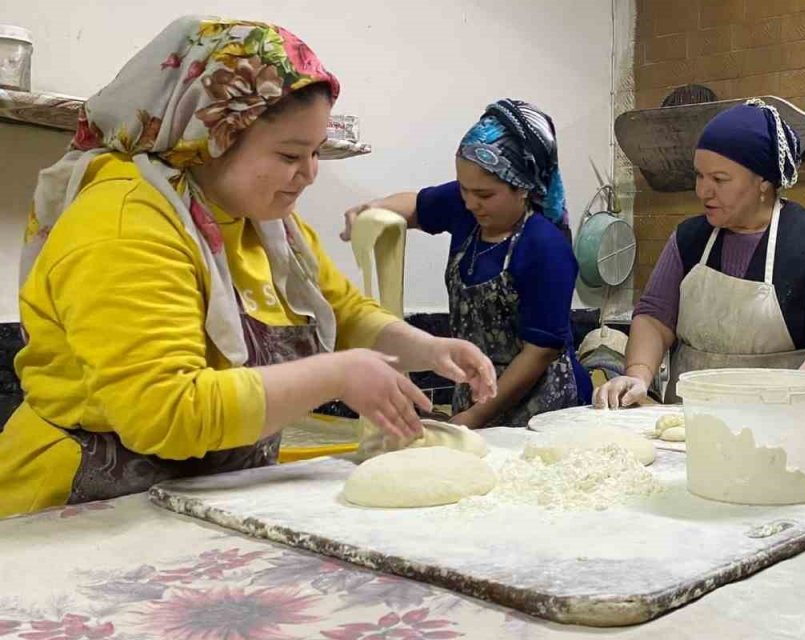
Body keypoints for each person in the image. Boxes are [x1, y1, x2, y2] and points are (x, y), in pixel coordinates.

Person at [0, 16, 495, 518]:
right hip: (73, 512)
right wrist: (336, 375)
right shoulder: (125, 222)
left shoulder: (269, 227)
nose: (309, 174)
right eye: (289, 154)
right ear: (212, 136)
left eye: (316, 152)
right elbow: (165, 412)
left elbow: (343, 313)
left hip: (192, 501)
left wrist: (427, 348)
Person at [594, 99, 805, 409]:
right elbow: (655, 319)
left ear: (763, 182)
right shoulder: (688, 239)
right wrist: (638, 375)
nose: (703, 191)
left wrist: (789, 396)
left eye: (719, 179)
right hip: (695, 416)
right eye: (700, 176)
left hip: (790, 417)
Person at [343, 100, 589, 428]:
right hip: (476, 389)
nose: (471, 203)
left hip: (539, 404)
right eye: (464, 189)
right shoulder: (465, 207)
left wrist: (475, 416)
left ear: (522, 188)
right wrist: (371, 210)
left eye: (485, 195)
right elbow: (415, 206)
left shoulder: (545, 247)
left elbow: (540, 351)